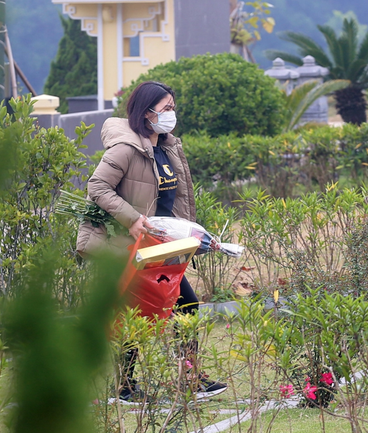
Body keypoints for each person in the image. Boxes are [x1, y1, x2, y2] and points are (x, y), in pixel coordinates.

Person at [76, 81, 227, 402]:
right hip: (129, 246)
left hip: (162, 246)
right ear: (146, 113)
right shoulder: (125, 148)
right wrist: (131, 220)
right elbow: (98, 187)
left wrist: (192, 238)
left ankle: (191, 375)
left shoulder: (169, 146)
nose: (172, 114)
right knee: (137, 311)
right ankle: (126, 386)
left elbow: (175, 202)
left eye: (173, 107)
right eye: (166, 108)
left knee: (186, 305)